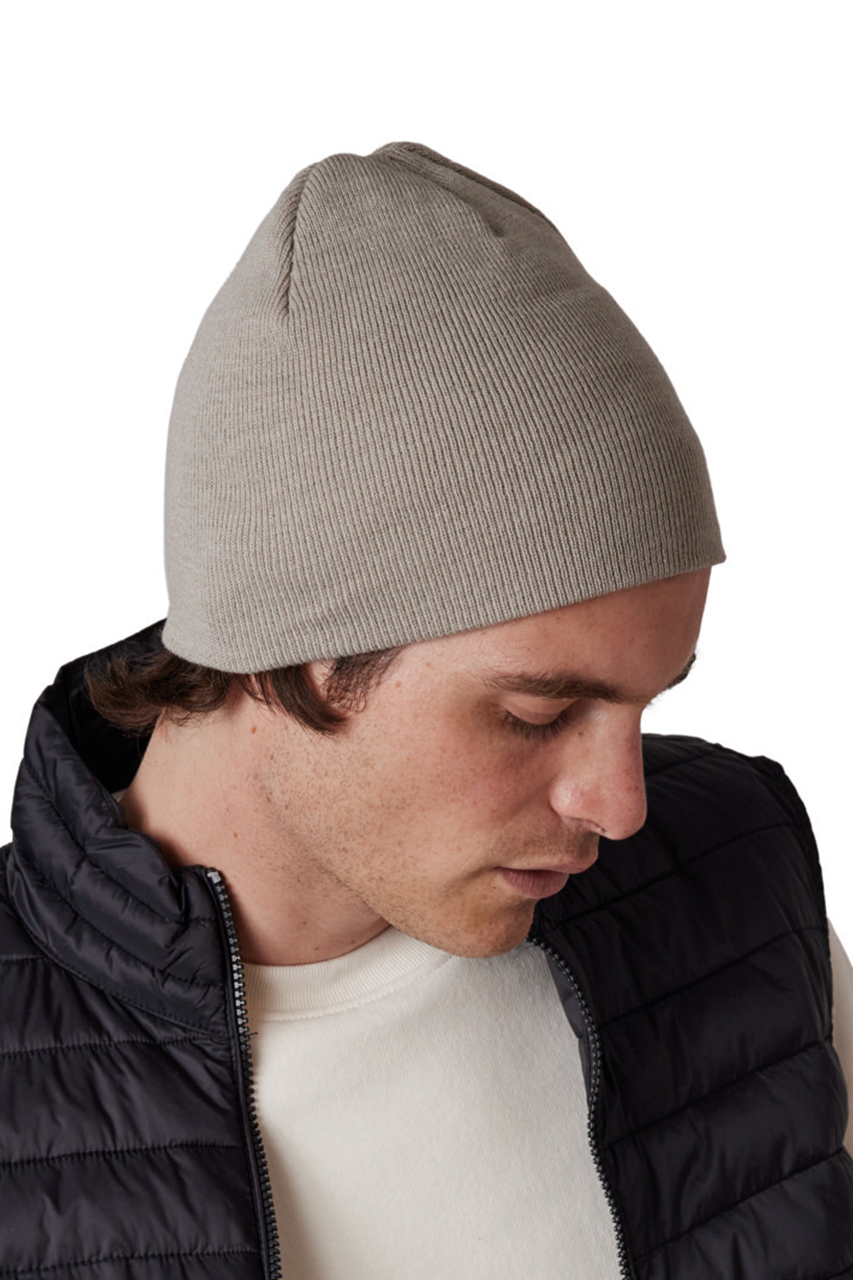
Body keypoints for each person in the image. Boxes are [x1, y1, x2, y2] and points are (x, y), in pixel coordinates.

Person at [2, 142, 851, 1279]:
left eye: (644, 702)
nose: (620, 807)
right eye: (536, 712)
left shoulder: (728, 884)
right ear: (294, 656)